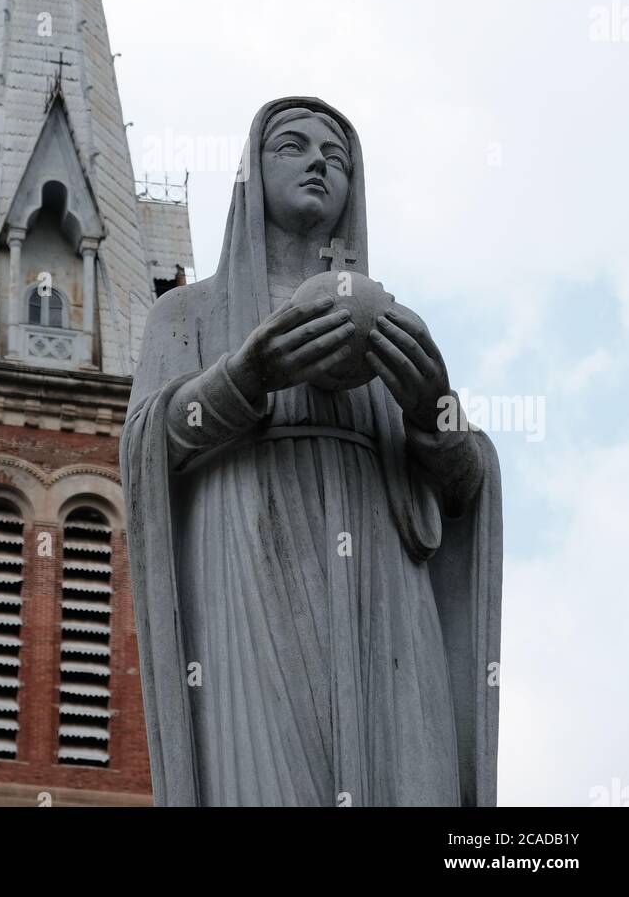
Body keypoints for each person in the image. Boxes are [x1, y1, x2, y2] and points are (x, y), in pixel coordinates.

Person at [121, 96, 502, 807]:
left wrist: (432, 409)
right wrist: (249, 372)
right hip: (252, 563)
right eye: (291, 146)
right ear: (251, 175)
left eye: (338, 156)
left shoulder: (392, 324)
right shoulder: (189, 313)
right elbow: (149, 446)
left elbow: (464, 489)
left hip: (386, 586)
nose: (319, 162)